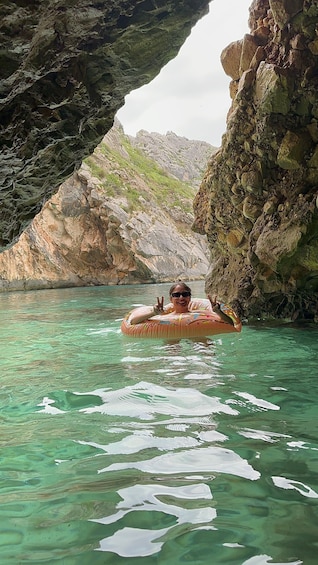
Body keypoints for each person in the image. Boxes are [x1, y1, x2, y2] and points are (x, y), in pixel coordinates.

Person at [128, 281, 234, 326]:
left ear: (189, 297)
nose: (181, 298)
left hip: (198, 338)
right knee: (172, 346)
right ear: (171, 299)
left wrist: (218, 311)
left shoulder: (200, 313)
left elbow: (230, 323)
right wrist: (154, 313)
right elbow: (133, 322)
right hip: (172, 342)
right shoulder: (165, 316)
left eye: (185, 294)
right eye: (176, 295)